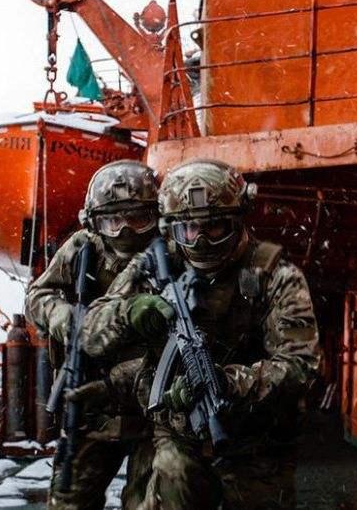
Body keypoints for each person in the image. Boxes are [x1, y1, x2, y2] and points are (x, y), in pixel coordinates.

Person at [79, 159, 320, 510]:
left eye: (215, 227)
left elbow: (301, 365)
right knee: (169, 481)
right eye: (188, 229)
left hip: (256, 440)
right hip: (178, 437)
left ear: (237, 220)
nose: (201, 240)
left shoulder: (275, 275)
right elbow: (90, 334)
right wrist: (128, 313)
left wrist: (230, 383)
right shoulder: (155, 264)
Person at [26, 159, 160, 510]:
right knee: (70, 498)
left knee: (150, 500)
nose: (125, 230)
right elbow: (38, 296)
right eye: (113, 221)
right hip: (90, 400)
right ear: (95, 221)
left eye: (137, 218)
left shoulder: (167, 254)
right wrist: (67, 319)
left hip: (151, 404)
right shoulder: (82, 247)